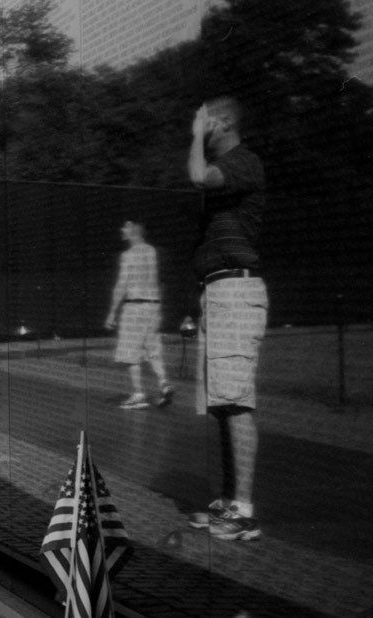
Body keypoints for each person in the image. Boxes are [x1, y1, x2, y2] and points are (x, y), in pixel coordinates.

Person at [186, 96, 267, 541]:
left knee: (235, 401)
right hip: (218, 292)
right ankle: (229, 501)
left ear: (223, 124)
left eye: (206, 122)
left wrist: (197, 133)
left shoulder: (244, 162)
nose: (200, 129)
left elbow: (198, 175)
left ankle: (244, 511)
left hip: (236, 290)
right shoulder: (230, 174)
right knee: (222, 403)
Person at [104, 221, 173, 409]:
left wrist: (112, 312)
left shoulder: (128, 255)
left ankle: (138, 394)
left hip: (135, 307)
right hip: (153, 306)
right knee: (153, 350)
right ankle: (164, 383)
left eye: (125, 227)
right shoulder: (151, 252)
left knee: (130, 353)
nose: (121, 229)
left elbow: (121, 284)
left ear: (134, 232)